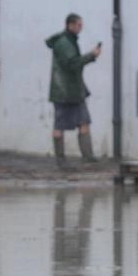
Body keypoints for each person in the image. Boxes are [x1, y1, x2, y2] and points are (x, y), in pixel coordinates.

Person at [46, 12, 102, 166]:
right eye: (79, 25)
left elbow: (73, 63)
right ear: (70, 25)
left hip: (74, 91)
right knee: (59, 125)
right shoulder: (64, 43)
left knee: (84, 121)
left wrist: (90, 56)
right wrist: (92, 56)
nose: (81, 28)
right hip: (63, 92)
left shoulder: (69, 41)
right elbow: (72, 64)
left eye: (81, 25)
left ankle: (88, 156)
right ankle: (61, 159)